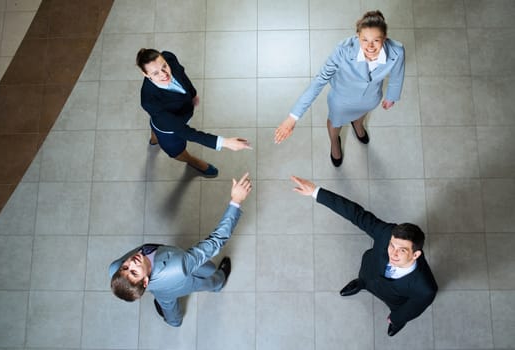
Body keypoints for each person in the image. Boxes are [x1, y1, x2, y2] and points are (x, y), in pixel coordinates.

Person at [291, 175, 437, 336]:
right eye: (391, 245)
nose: (392, 253)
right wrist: (315, 192)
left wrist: (396, 318)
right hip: (370, 271)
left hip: (395, 300)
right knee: (365, 279)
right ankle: (361, 284)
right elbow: (356, 214)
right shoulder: (386, 232)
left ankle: (396, 324)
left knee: (399, 316)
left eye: (402, 250)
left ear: (416, 254)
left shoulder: (426, 288)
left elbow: (412, 308)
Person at [109, 172, 252, 327]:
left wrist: (130, 271)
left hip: (159, 290)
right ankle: (218, 284)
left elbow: (126, 270)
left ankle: (173, 319)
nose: (132, 263)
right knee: (206, 281)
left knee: (168, 302)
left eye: (126, 267)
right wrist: (236, 201)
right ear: (145, 281)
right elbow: (216, 241)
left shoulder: (114, 269)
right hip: (178, 282)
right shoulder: (178, 266)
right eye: (134, 272)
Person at [275, 11, 405, 167]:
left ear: (384, 37)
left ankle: (358, 125)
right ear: (358, 36)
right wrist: (292, 118)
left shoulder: (397, 51)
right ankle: (335, 142)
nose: (370, 46)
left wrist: (391, 96)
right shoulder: (343, 50)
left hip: (371, 97)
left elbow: (397, 75)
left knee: (362, 114)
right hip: (341, 99)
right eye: (364, 40)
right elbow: (319, 80)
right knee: (335, 122)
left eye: (376, 40)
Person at [137, 48, 252, 177]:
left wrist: (192, 93)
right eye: (156, 73)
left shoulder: (169, 57)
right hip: (169, 130)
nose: (164, 74)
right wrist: (225, 142)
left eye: (164, 66)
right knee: (176, 152)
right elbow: (184, 131)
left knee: (155, 123)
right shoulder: (150, 101)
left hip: (168, 117)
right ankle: (192, 161)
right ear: (146, 74)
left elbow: (182, 75)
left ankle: (154, 138)